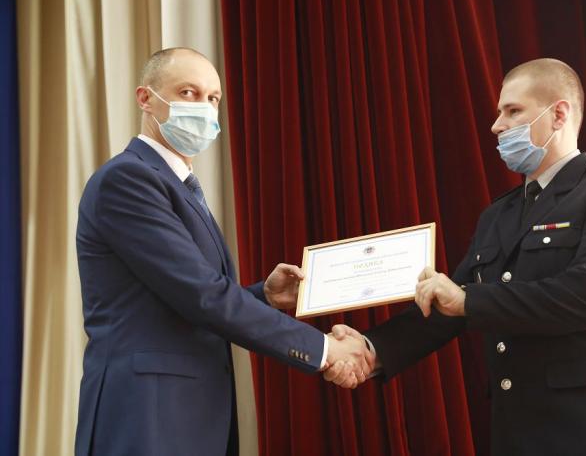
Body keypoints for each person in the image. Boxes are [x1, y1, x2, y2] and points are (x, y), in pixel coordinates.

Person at [326, 58, 586, 456]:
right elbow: (447, 307)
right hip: (520, 432)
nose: (496, 125)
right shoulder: (499, 214)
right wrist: (371, 349)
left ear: (558, 114)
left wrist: (467, 300)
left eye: (513, 110)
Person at [75, 47, 371, 456]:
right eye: (188, 93)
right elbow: (202, 295)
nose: (204, 107)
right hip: (146, 415)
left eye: (212, 98)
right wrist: (324, 350)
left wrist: (263, 296)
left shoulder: (177, 185)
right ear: (146, 98)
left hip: (188, 415)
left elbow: (181, 301)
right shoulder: (128, 179)